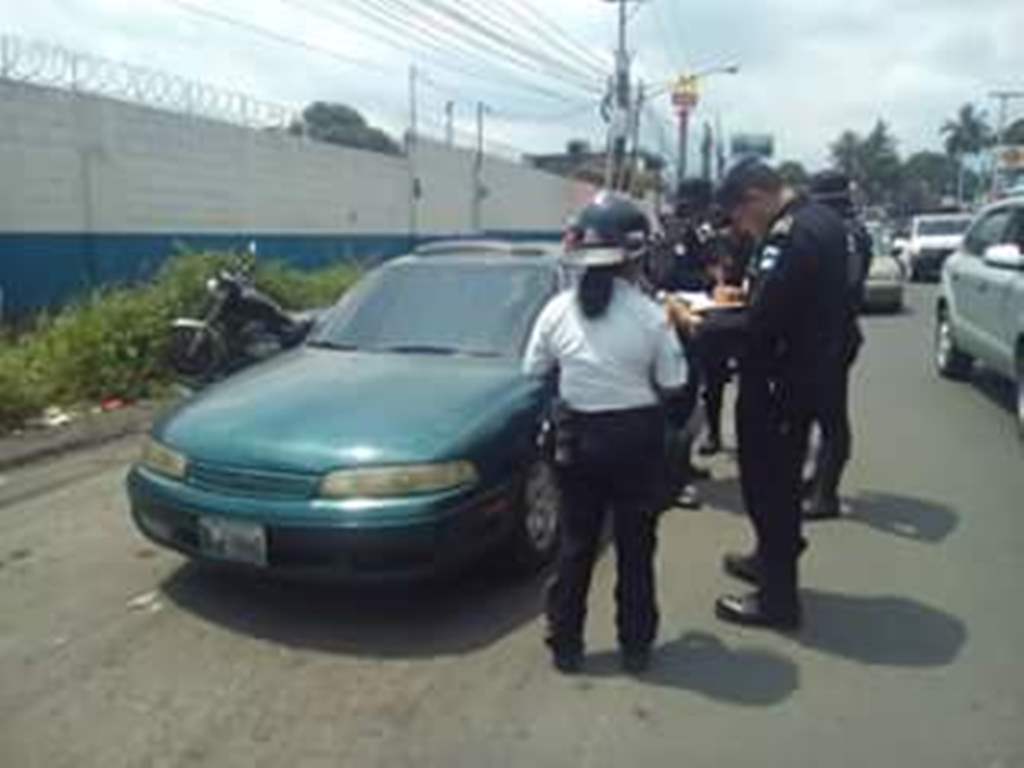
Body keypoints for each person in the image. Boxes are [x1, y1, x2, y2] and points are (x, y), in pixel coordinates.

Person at [523, 190, 694, 674]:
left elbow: (533, 369)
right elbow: (675, 383)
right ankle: (636, 647)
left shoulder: (556, 310)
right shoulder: (650, 315)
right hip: (636, 443)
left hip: (576, 442)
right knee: (636, 549)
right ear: (637, 253)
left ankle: (566, 645)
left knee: (576, 546)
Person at [713, 160, 850, 629]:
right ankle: (769, 558)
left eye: (739, 217)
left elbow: (764, 317)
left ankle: (777, 598)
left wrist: (702, 324)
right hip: (806, 371)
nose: (741, 229)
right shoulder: (823, 221)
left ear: (755, 197)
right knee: (782, 478)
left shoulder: (790, 235)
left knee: (769, 484)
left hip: (778, 379)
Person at [803, 170, 874, 519]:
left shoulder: (845, 234)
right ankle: (818, 481)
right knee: (819, 410)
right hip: (832, 332)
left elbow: (847, 285)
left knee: (831, 417)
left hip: (832, 334)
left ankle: (826, 495)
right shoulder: (849, 230)